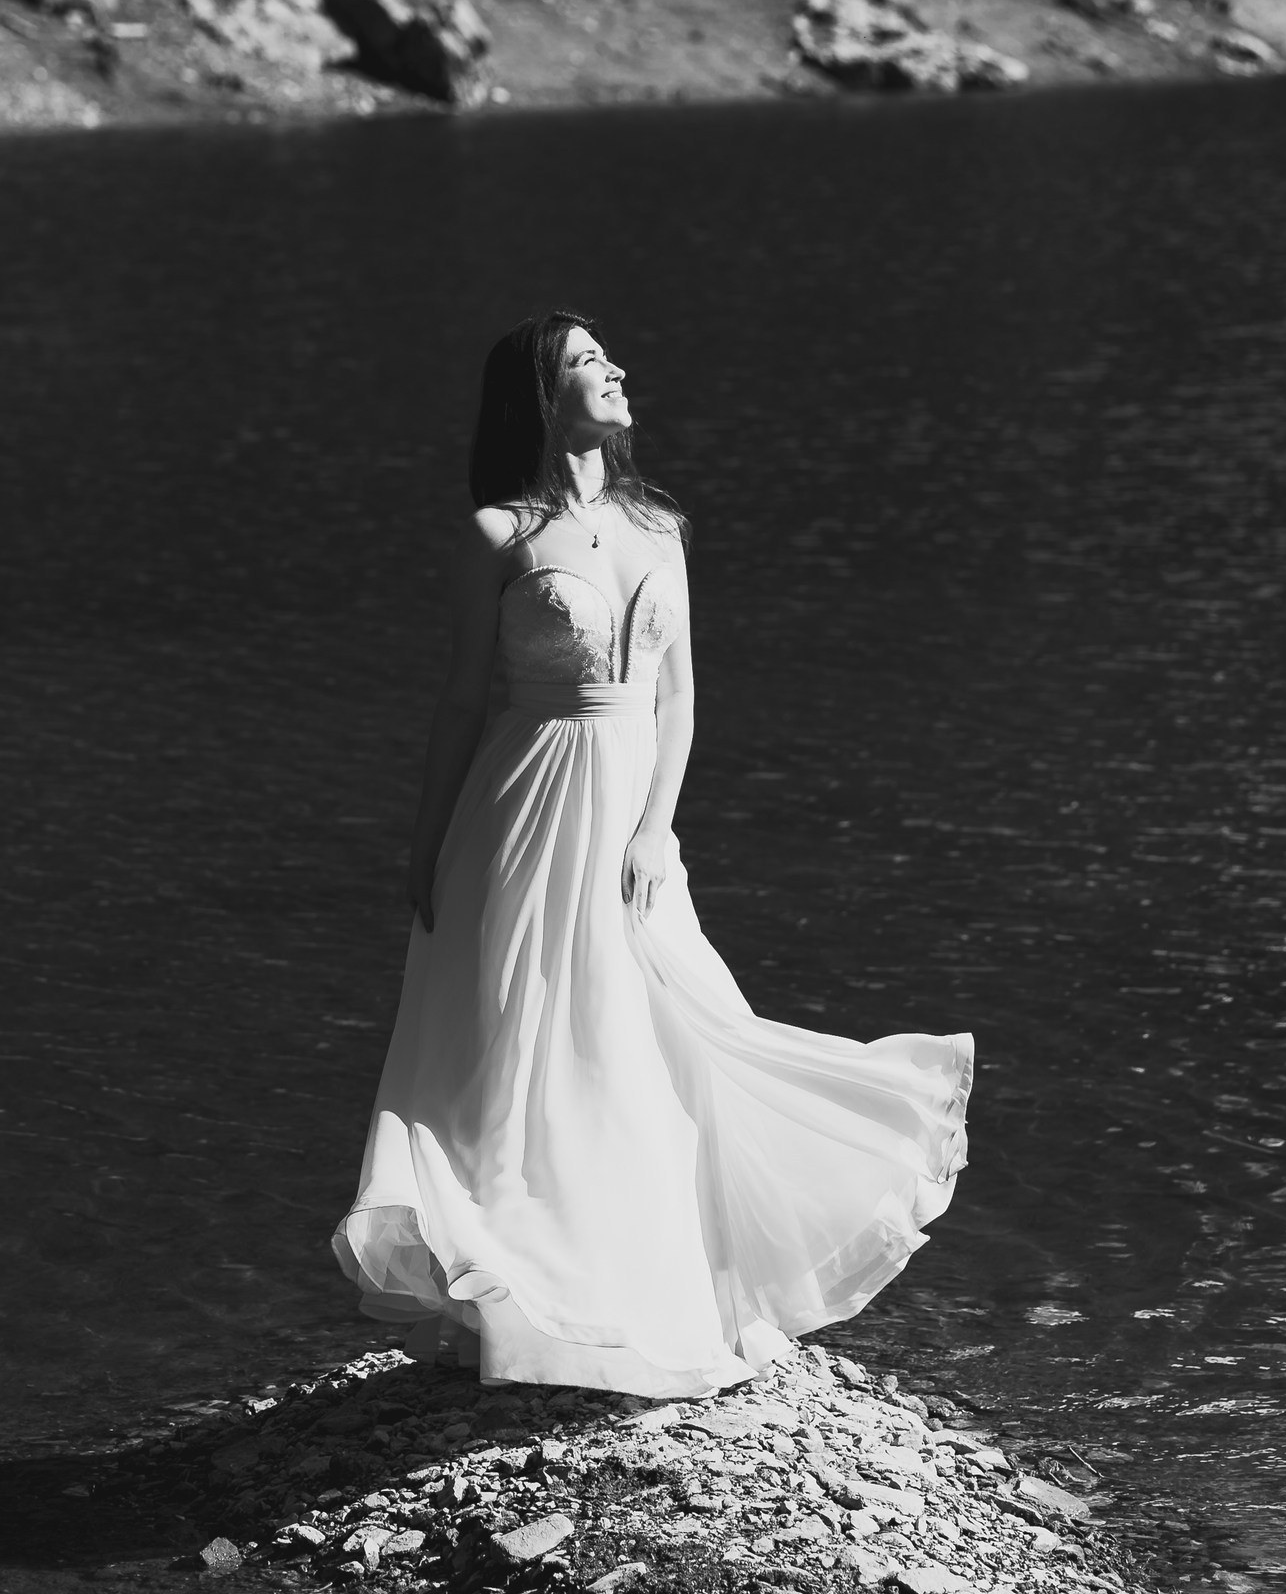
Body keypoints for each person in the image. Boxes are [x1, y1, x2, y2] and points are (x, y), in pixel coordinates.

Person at [332, 310, 973, 1397]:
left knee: (663, 1034)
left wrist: (652, 827)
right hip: (522, 808)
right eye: (588, 361)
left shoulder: (659, 526)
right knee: (528, 1043)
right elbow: (456, 702)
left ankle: (646, 1290)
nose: (617, 371)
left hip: (627, 814)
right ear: (541, 394)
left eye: (608, 357)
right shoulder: (498, 535)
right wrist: (425, 839)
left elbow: (674, 699)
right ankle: (526, 1294)